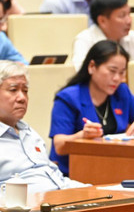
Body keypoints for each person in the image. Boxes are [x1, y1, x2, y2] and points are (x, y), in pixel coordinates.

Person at [0, 60, 86, 200]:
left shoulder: (28, 132)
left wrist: (93, 191)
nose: (22, 98)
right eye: (13, 90)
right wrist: (25, 204)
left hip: (59, 202)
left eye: (25, 91)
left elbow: (59, 181)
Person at [50, 40, 134, 176]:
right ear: (92, 66)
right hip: (72, 174)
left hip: (114, 169)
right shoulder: (68, 98)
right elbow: (59, 146)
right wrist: (82, 136)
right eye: (112, 71)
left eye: (122, 73)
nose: (117, 78)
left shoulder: (122, 92)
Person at [71, 0, 134, 71]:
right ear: (102, 21)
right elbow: (82, 75)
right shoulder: (84, 40)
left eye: (129, 14)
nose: (129, 21)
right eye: (122, 16)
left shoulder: (132, 37)